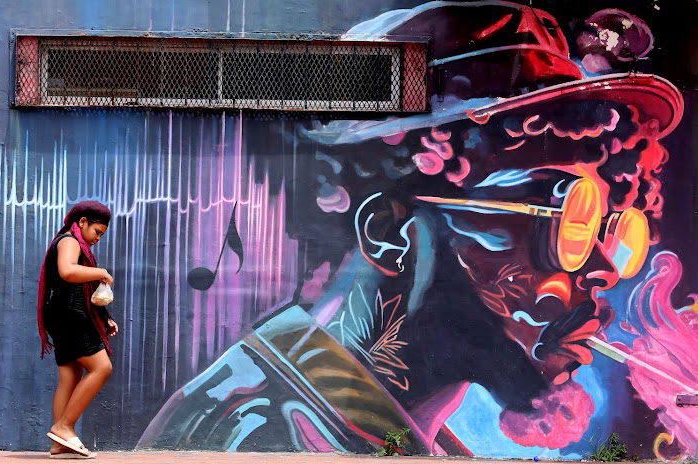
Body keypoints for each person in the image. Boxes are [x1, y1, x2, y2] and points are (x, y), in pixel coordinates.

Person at [137, 1, 687, 456]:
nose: (602, 270)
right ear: (388, 232)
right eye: (569, 217)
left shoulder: (387, 436)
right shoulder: (255, 438)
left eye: (612, 229)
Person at [37, 201, 118, 458]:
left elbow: (77, 289)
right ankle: (64, 426)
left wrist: (104, 317)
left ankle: (60, 443)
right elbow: (68, 271)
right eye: (97, 231)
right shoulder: (69, 241)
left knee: (69, 378)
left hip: (62, 314)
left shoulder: (72, 241)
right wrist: (101, 273)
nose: (97, 238)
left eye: (102, 235)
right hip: (69, 316)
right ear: (82, 222)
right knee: (101, 367)